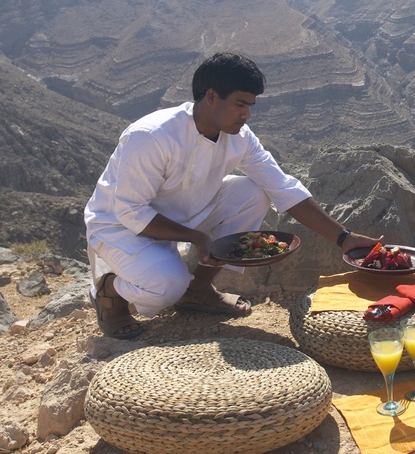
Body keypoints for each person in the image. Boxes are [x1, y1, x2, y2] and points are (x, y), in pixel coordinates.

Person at [84, 52, 380, 338]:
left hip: (185, 216)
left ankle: (198, 290)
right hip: (121, 227)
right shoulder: (150, 136)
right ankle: (109, 289)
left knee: (255, 191)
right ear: (211, 97)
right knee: (165, 288)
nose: (247, 114)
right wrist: (196, 237)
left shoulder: (239, 137)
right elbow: (131, 211)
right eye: (240, 104)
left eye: (250, 105)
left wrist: (344, 238)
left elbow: (282, 186)